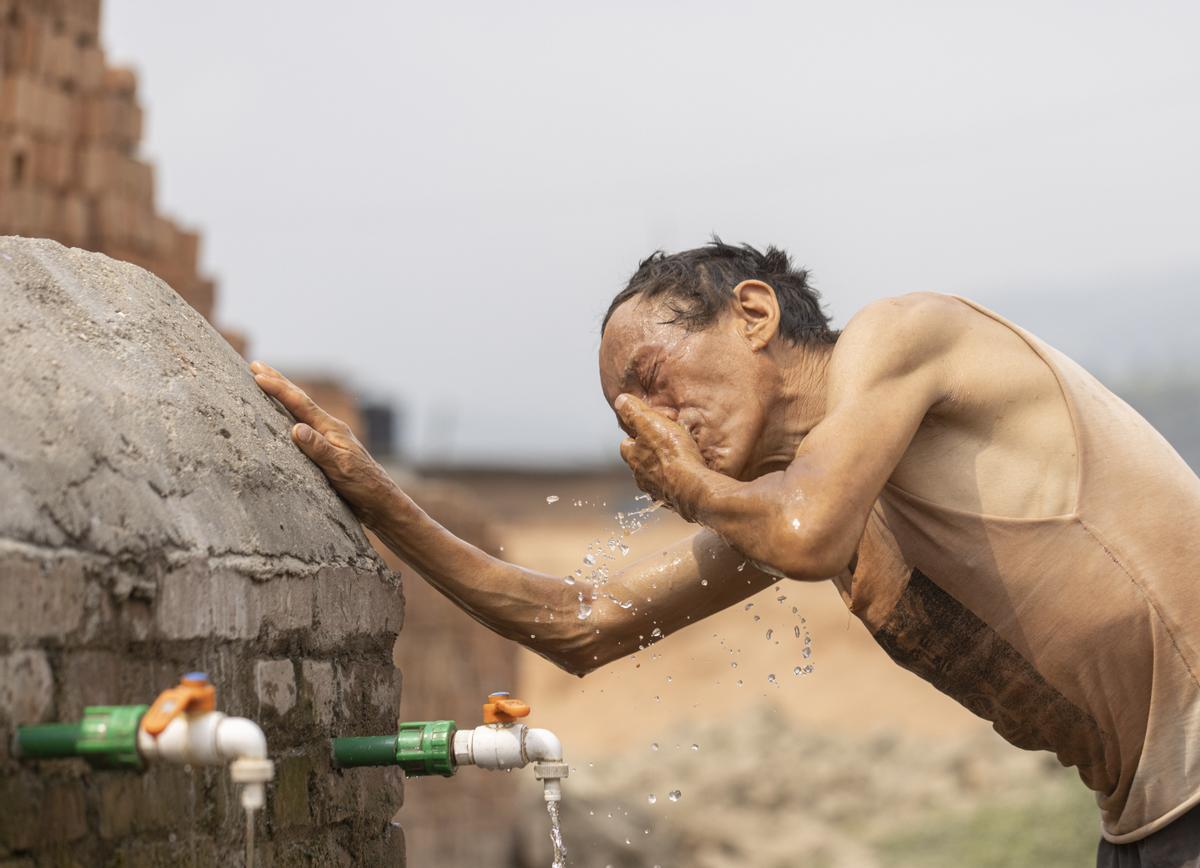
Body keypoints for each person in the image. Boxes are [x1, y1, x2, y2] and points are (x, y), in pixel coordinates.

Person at [252, 239, 1200, 867]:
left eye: (654, 383)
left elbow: (804, 532)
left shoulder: (908, 334)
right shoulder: (798, 500)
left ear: (753, 314)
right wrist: (378, 497)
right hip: (1147, 820)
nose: (661, 426)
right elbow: (582, 628)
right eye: (632, 419)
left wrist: (701, 492)